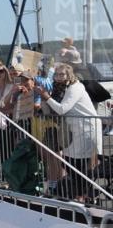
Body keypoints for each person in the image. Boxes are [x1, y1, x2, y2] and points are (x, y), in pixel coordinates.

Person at [36, 62, 99, 202]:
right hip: (72, 130)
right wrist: (44, 101)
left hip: (85, 130)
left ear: (69, 75)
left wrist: (46, 97)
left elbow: (62, 109)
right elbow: (53, 110)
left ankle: (84, 196)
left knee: (80, 165)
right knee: (70, 162)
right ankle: (81, 194)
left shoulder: (75, 88)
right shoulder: (59, 89)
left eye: (62, 74)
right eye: (57, 74)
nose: (59, 77)